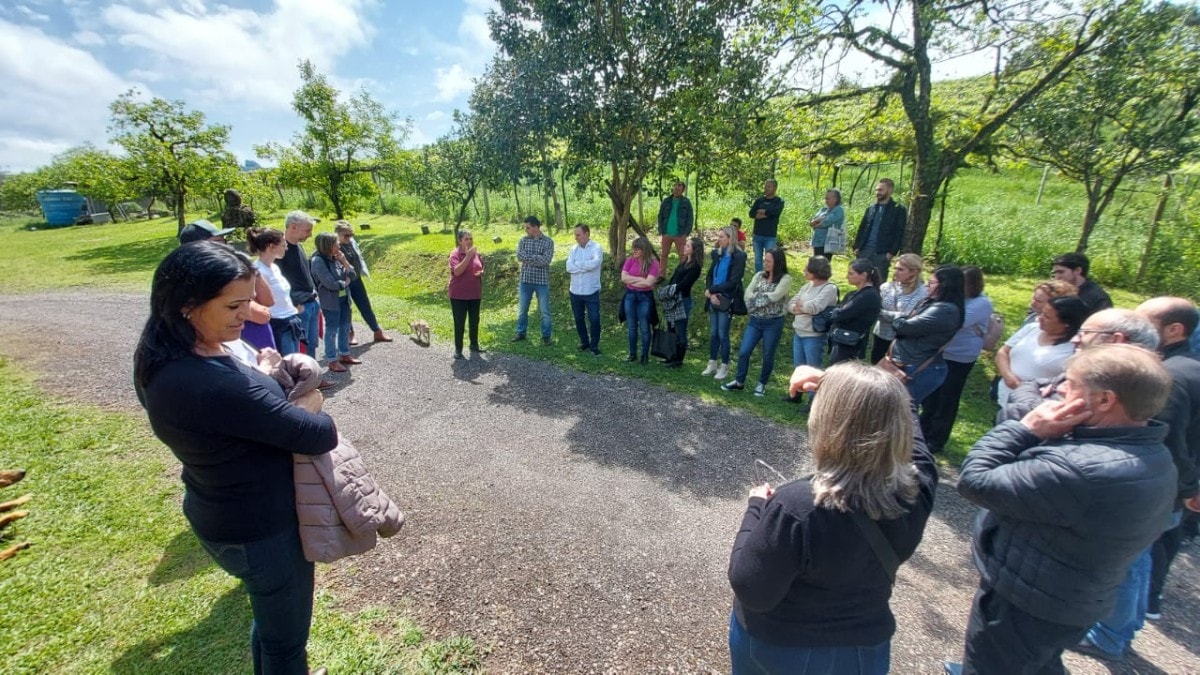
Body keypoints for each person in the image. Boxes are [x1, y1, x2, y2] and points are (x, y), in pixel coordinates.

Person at [134, 241, 338, 674]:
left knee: (269, 624)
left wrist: (262, 377)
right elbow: (319, 434)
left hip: (220, 511)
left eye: (246, 302)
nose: (246, 315)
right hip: (262, 530)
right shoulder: (210, 383)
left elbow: (234, 417)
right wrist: (307, 400)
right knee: (286, 642)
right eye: (233, 306)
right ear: (188, 305)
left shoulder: (163, 356)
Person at [948, 344, 1177, 675]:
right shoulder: (1152, 453)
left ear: (1104, 400)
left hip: (1024, 606)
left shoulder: (1080, 468)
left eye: (1069, 383)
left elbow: (976, 480)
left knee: (990, 666)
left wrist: (1024, 429)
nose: (1058, 391)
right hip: (1071, 599)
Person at [729, 362, 938, 674]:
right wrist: (850, 386)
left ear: (830, 426)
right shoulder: (915, 489)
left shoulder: (799, 507)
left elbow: (751, 588)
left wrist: (756, 507)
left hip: (783, 651)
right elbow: (912, 433)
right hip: (864, 651)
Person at [1135, 298, 1200, 624]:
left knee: (1140, 554)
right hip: (1181, 483)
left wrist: (1189, 487)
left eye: (1144, 323)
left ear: (1174, 329)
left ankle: (1123, 622)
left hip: (1168, 484)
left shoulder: (1167, 377)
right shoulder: (1192, 366)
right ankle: (1148, 601)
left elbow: (1170, 439)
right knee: (1161, 545)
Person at [919, 266, 994, 453]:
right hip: (939, 352)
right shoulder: (955, 300)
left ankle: (936, 439)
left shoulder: (981, 302)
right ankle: (922, 431)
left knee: (947, 397)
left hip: (960, 357)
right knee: (930, 394)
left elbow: (955, 321)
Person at [722, 248, 793, 396]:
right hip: (755, 320)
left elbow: (775, 296)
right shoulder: (759, 275)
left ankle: (761, 384)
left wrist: (756, 299)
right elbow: (747, 294)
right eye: (765, 260)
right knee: (744, 351)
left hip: (773, 322)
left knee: (768, 354)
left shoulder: (785, 279)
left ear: (778, 263)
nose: (765, 263)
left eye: (769, 261)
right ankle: (739, 381)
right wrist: (757, 299)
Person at [994, 296, 1088, 408]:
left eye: (1047, 317)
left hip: (1033, 406)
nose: (1040, 318)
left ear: (1066, 323)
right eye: (1042, 313)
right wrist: (1008, 376)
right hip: (1004, 396)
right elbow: (1003, 352)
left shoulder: (1075, 350)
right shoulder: (1032, 328)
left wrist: (1024, 390)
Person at [785, 256, 838, 406]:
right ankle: (796, 394)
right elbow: (791, 305)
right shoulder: (807, 286)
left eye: (807, 269)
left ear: (816, 270)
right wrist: (802, 307)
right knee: (799, 366)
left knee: (812, 368)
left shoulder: (829, 288)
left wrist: (802, 306)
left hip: (814, 335)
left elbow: (815, 307)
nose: (804, 271)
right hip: (799, 331)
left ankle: (813, 401)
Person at [247, 227, 302, 356]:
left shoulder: (275, 267)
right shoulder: (257, 271)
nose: (286, 248)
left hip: (291, 319)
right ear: (271, 246)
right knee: (287, 364)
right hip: (278, 324)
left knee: (295, 362)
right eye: (283, 245)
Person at [335, 221, 392, 344]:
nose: (349, 238)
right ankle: (350, 334)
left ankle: (377, 331)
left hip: (356, 279)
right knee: (346, 307)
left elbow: (358, 257)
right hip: (344, 282)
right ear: (337, 234)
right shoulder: (334, 246)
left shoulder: (351, 242)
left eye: (351, 235)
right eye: (346, 235)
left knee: (365, 305)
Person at [703, 225, 748, 380]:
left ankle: (725, 366)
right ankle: (712, 362)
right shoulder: (717, 254)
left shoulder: (738, 257)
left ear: (730, 238)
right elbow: (710, 275)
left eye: (722, 237)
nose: (719, 239)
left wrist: (714, 290)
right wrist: (710, 291)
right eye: (719, 236)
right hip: (713, 296)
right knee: (714, 333)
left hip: (726, 298)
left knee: (723, 334)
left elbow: (734, 281)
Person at [310, 232, 359, 373]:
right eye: (336, 243)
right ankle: (332, 360)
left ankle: (345, 354)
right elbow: (330, 283)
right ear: (328, 245)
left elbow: (353, 275)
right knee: (331, 330)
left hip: (344, 299)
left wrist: (344, 262)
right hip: (330, 301)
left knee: (345, 327)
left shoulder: (337, 258)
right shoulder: (318, 261)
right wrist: (345, 282)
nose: (339, 245)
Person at [276, 211, 321, 357]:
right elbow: (277, 282)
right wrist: (294, 303)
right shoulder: (280, 250)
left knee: (312, 344)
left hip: (311, 301)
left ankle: (314, 377)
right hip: (299, 306)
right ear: (293, 227)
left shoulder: (298, 246)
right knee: (300, 347)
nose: (310, 234)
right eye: (307, 230)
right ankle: (305, 378)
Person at [870, 253, 928, 364]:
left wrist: (887, 315)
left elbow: (915, 318)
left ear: (914, 272)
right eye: (895, 268)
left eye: (900, 269)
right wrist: (899, 316)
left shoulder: (923, 292)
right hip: (881, 334)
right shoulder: (886, 287)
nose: (895, 272)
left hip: (904, 340)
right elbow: (875, 311)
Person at [828, 259, 883, 366]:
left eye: (851, 273)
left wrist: (836, 312)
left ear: (863, 275)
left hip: (850, 344)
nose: (847, 276)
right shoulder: (854, 293)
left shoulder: (868, 295)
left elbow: (840, 314)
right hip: (842, 340)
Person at [661, 235, 704, 368]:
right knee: (671, 327)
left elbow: (685, 284)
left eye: (688, 245)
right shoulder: (683, 262)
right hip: (673, 298)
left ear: (694, 249)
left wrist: (672, 289)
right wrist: (668, 290)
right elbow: (674, 277)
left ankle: (679, 359)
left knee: (680, 329)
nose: (685, 247)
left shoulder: (695, 266)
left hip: (683, 299)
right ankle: (671, 355)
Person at [852, 179, 906, 282]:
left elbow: (899, 233)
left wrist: (891, 253)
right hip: (864, 251)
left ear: (890, 190)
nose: (877, 193)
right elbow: (862, 228)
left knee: (878, 282)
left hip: (882, 253)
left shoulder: (898, 209)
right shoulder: (871, 208)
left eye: (881, 190)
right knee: (859, 280)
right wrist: (857, 246)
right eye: (876, 190)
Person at [514, 215, 554, 345]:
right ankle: (521, 332)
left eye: (528, 227)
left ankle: (546, 336)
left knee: (545, 311)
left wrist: (529, 258)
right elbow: (520, 256)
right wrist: (537, 258)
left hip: (542, 282)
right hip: (525, 281)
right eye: (525, 228)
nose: (526, 230)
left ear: (536, 227)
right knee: (522, 310)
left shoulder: (548, 242)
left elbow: (546, 260)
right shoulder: (523, 241)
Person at [620, 237, 660, 364]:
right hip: (630, 295)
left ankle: (644, 355)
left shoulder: (653, 263)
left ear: (644, 249)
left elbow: (649, 282)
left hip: (645, 297)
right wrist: (641, 281)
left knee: (644, 327)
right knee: (632, 326)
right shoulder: (630, 260)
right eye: (633, 248)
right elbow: (623, 278)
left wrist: (633, 280)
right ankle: (632, 354)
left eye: (637, 249)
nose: (634, 251)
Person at [566, 224, 604, 355]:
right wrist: (585, 266)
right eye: (575, 235)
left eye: (578, 234)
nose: (576, 237)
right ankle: (584, 342)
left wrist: (578, 265)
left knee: (594, 318)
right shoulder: (573, 249)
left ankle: (594, 345)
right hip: (575, 291)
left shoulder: (596, 248)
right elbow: (569, 267)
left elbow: (595, 263)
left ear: (587, 234)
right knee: (578, 318)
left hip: (591, 291)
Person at [448, 229, 485, 360]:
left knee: (474, 320)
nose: (469, 241)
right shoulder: (455, 254)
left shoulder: (476, 253)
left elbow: (480, 266)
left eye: (471, 239)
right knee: (459, 322)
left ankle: (474, 345)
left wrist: (481, 272)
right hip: (459, 295)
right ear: (460, 241)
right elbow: (457, 271)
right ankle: (458, 349)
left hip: (474, 293)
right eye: (466, 239)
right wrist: (468, 256)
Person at [748, 179, 785, 273]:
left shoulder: (779, 201)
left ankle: (769, 276)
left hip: (770, 236)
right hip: (757, 235)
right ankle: (758, 277)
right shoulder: (759, 200)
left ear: (775, 188)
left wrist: (763, 212)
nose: (766, 188)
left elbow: (775, 212)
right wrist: (768, 214)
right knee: (757, 259)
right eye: (765, 186)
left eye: (769, 186)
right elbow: (751, 214)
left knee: (771, 258)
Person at [657, 181, 694, 273]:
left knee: (683, 255)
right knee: (663, 255)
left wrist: (686, 233)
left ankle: (683, 274)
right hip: (666, 233)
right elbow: (660, 216)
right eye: (675, 188)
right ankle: (661, 275)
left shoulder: (686, 202)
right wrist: (661, 230)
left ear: (682, 191)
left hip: (680, 234)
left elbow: (690, 218)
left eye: (679, 189)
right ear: (673, 188)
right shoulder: (666, 201)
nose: (676, 191)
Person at [808, 189, 845, 260]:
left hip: (828, 243)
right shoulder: (823, 209)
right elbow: (813, 221)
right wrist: (816, 221)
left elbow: (827, 221)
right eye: (825, 198)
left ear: (835, 199)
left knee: (823, 264)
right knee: (816, 262)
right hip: (818, 242)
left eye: (828, 198)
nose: (826, 200)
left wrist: (817, 222)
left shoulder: (839, 210)